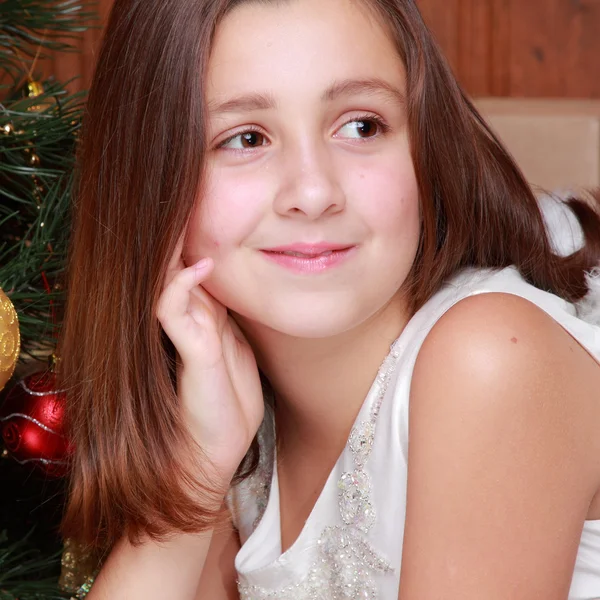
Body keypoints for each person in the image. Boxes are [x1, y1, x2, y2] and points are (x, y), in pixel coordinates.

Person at [57, 0, 600, 598]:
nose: (313, 192)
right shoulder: (227, 405)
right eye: (245, 138)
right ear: (149, 182)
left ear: (425, 145)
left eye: (362, 125)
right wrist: (196, 470)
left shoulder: (493, 357)